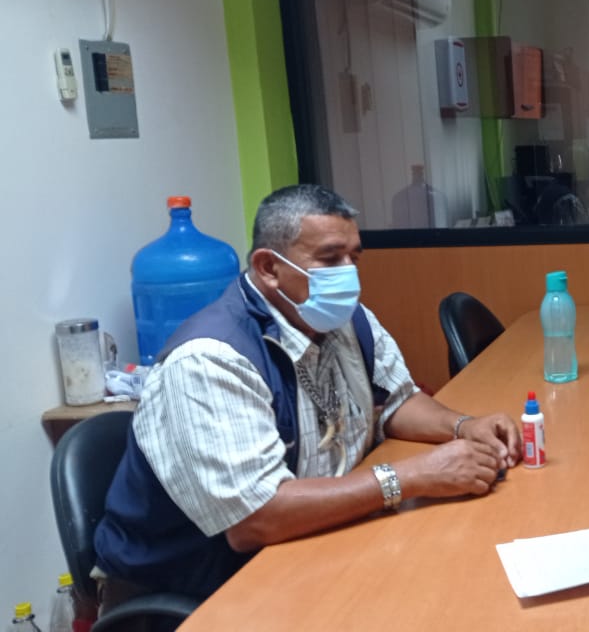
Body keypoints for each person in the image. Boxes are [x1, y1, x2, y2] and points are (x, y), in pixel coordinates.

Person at [94, 184, 522, 609]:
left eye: (354, 258)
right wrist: (410, 476)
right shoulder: (210, 360)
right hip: (207, 588)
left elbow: (397, 399)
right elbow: (255, 519)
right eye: (330, 259)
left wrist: (463, 426)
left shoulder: (342, 318)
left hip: (310, 544)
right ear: (268, 267)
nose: (348, 275)